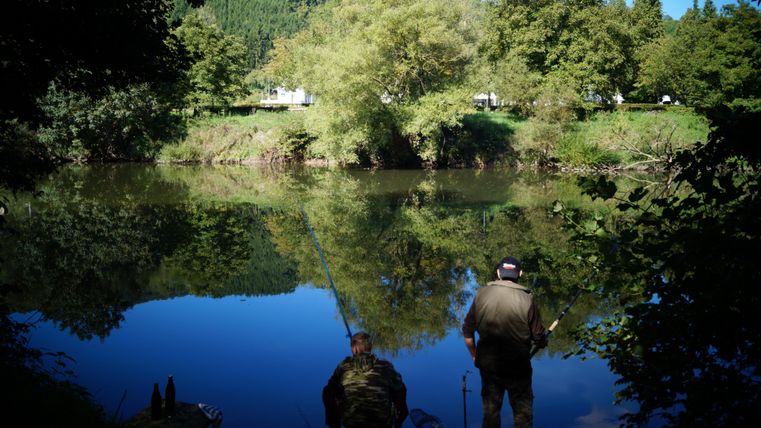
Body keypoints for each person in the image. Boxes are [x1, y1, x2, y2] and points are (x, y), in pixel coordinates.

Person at [462, 256, 547, 428]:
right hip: (518, 367)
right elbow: (538, 337)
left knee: (490, 413)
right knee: (522, 415)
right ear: (520, 274)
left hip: (489, 366)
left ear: (498, 273)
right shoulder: (527, 299)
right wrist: (543, 341)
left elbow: (467, 331)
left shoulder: (481, 294)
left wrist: (474, 355)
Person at [323, 332, 409, 428]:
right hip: (382, 424)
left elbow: (329, 389)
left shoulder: (344, 366)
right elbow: (399, 385)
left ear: (353, 349)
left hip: (351, 423)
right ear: (371, 347)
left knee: (329, 390)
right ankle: (399, 420)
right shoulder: (385, 365)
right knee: (400, 386)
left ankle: (334, 424)